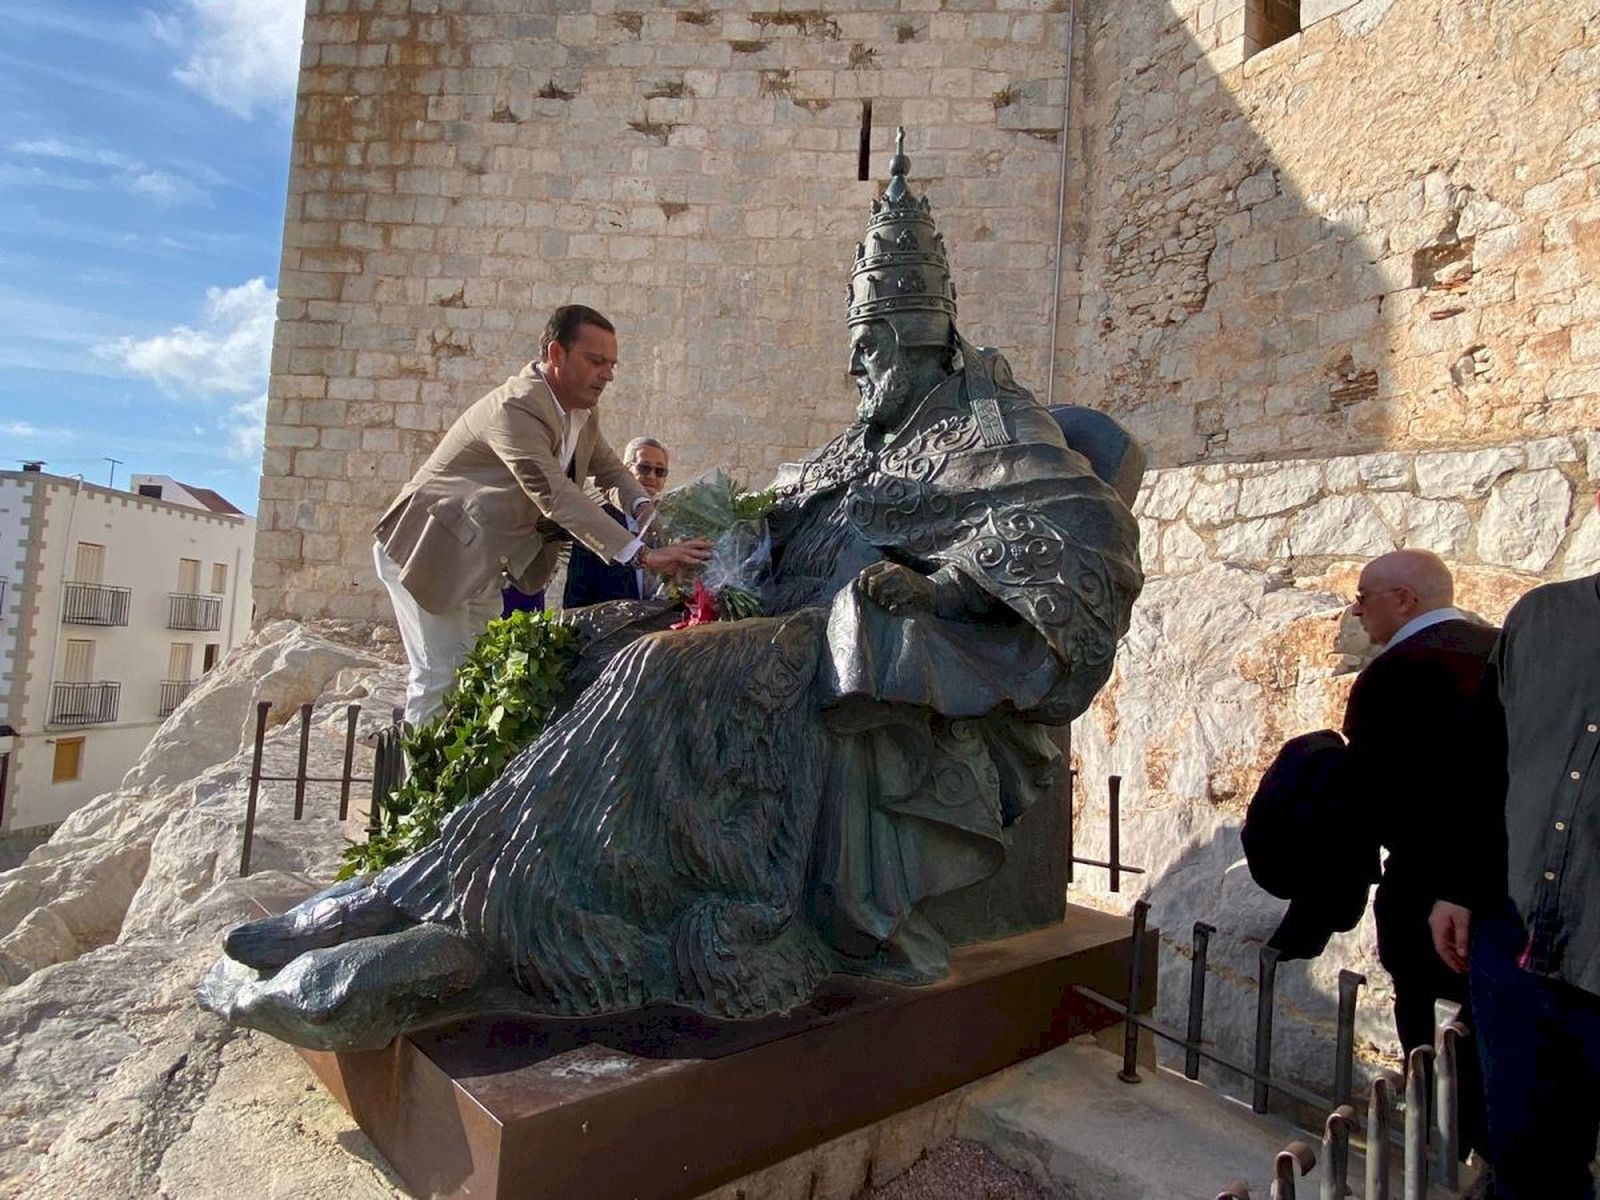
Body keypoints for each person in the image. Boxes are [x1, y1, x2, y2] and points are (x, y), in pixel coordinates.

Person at [203, 130, 1143, 1050]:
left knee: (658, 668)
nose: (859, 367)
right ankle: (420, 887)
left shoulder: (995, 426)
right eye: (856, 345)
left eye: (877, 346)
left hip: (845, 647)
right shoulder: (862, 436)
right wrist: (721, 537)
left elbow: (1082, 538)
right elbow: (774, 512)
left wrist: (940, 590)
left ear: (926, 338)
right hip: (776, 613)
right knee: (597, 635)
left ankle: (485, 931)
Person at [371, 306, 710, 724]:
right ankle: (419, 769)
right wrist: (641, 554)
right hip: (431, 548)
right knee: (440, 679)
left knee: (477, 676)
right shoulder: (516, 408)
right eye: (596, 361)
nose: (608, 375)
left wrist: (644, 509)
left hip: (478, 559)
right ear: (556, 354)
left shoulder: (581, 412)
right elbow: (555, 494)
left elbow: (609, 468)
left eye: (612, 364)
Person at [1429, 492, 1600, 1200]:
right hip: (1516, 951)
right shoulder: (1541, 616)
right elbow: (1485, 767)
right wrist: (1457, 886)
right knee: (1528, 1170)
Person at [1342, 549, 1496, 1160]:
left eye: (1364, 597)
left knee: (1424, 1020)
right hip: (1507, 881)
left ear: (1404, 600)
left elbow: (1372, 793)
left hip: (1425, 883)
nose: (1358, 611)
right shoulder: (1504, 649)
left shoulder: (1394, 673)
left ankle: (1444, 1142)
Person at [562, 437, 671, 608]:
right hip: (611, 622)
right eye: (644, 468)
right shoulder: (598, 520)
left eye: (660, 471)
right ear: (625, 471)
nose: (651, 476)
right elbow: (578, 591)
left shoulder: (672, 523)